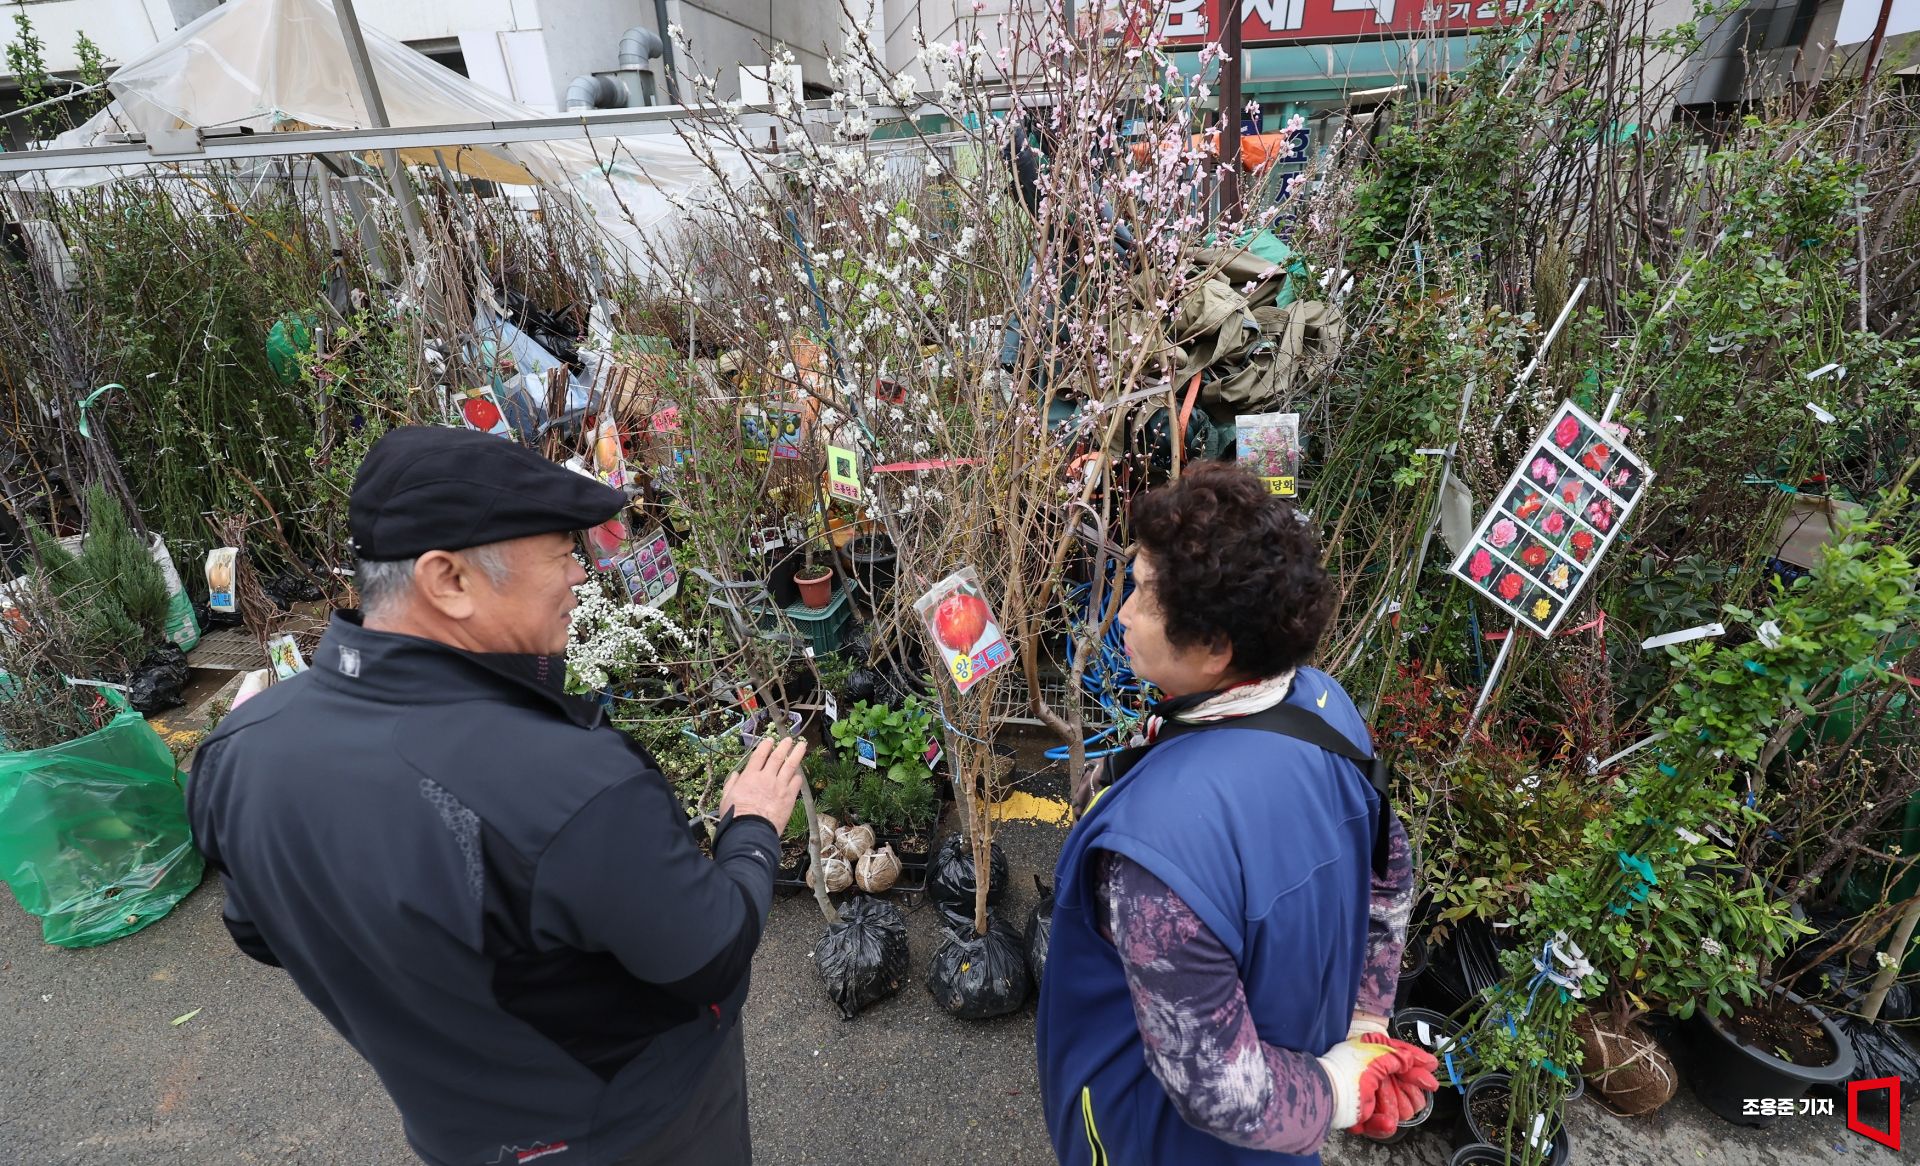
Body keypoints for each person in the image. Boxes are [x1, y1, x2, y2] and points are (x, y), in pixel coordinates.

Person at [187, 426, 805, 1166]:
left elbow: (258, 931)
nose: (582, 575)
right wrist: (752, 829)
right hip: (639, 1128)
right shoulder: (566, 786)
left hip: (455, 1134)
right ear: (448, 579)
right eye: (559, 554)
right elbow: (711, 954)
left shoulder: (243, 748)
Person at [1037, 463, 1434, 1165]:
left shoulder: (1157, 850)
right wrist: (1367, 1020)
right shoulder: (1326, 707)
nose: (1122, 613)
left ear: (1217, 647)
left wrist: (1341, 1092)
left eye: (1143, 597)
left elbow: (1221, 1089)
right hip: (1287, 1113)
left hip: (1155, 1137)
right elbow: (1390, 868)